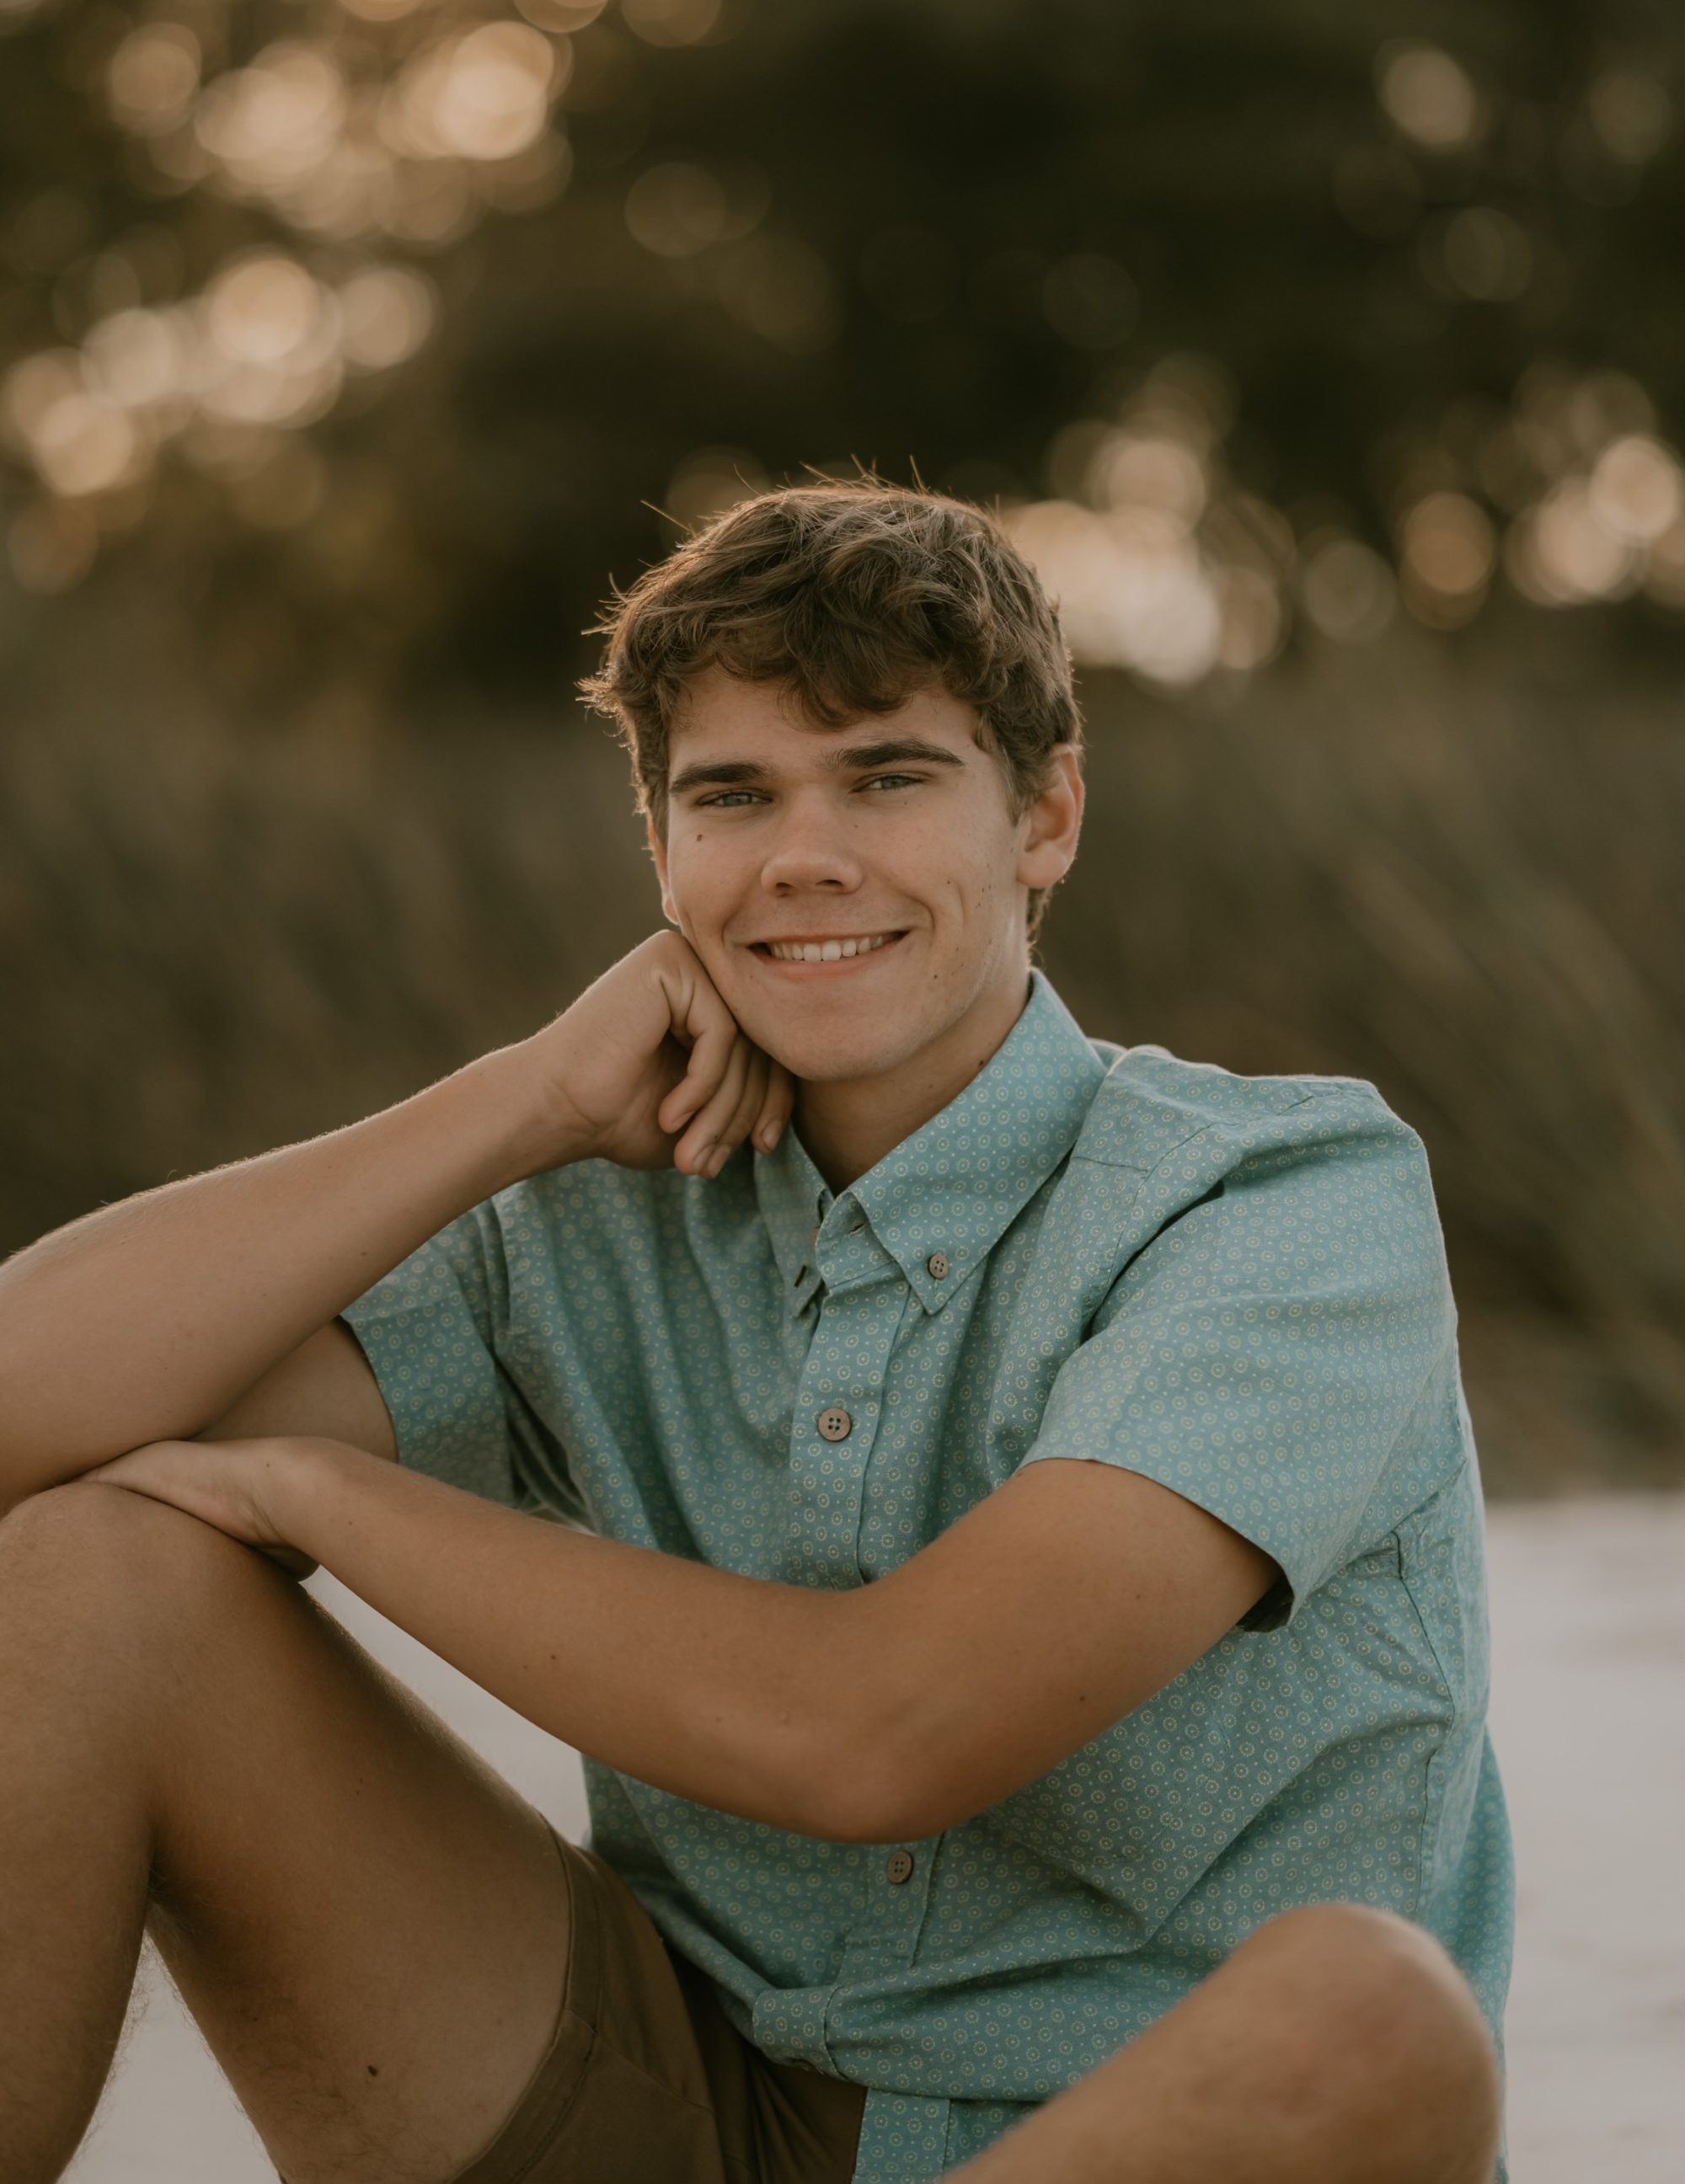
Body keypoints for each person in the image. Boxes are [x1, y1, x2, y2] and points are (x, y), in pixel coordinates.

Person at [0, 482, 1509, 2184]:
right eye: (733, 795)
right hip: (681, 2116)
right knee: (94, 1572)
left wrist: (312, 1493)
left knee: (1371, 2011)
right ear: (662, 852)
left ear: (1044, 816)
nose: (804, 854)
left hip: (1148, 2140)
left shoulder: (1283, 1205)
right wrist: (522, 1099)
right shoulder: (584, 1221)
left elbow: (884, 1731)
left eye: (886, 776)